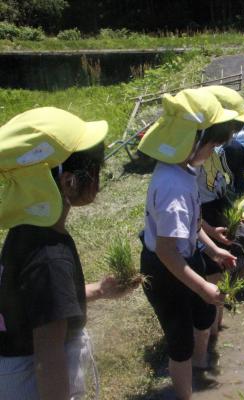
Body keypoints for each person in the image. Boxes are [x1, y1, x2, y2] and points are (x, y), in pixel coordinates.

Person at [0, 107, 136, 399]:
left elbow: (39, 305)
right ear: (68, 181)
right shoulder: (50, 256)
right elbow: (48, 359)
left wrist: (99, 291)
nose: (100, 176)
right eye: (95, 168)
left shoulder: (24, 233)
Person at [137, 88, 243, 400]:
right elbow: (167, 250)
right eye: (212, 145)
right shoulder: (172, 189)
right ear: (193, 142)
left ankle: (202, 360)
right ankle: (185, 391)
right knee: (179, 339)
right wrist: (201, 286)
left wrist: (213, 248)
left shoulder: (185, 170)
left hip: (185, 255)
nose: (213, 152)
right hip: (163, 267)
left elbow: (192, 223)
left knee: (204, 315)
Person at [192, 85, 244, 338]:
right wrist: (207, 229)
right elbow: (189, 206)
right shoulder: (195, 156)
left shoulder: (217, 148)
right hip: (203, 214)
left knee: (220, 270)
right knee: (213, 275)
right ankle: (211, 333)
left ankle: (217, 325)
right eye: (231, 128)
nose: (233, 135)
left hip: (217, 207)